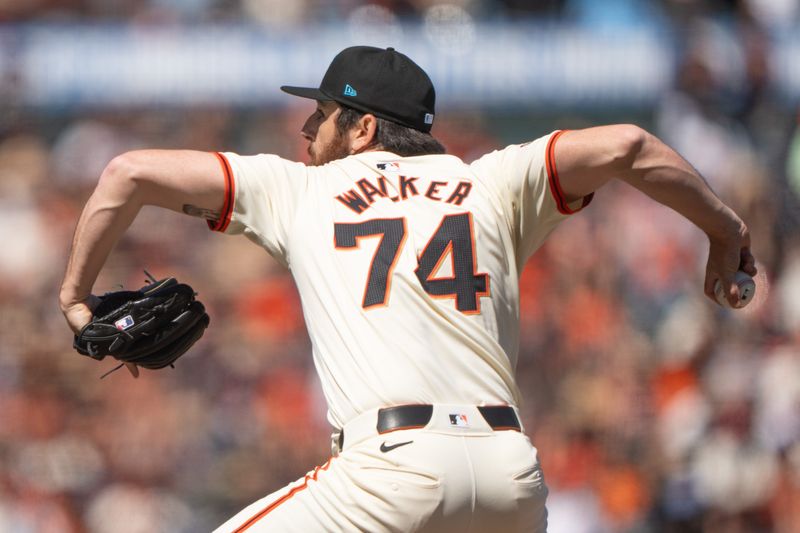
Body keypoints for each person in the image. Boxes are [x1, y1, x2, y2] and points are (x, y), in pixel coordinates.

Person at [59, 46, 757, 532]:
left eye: (321, 114)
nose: (305, 131)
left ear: (362, 126)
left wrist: (76, 297)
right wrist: (725, 232)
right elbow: (632, 145)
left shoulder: (302, 188)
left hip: (391, 474)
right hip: (511, 479)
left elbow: (125, 173)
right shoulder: (492, 180)